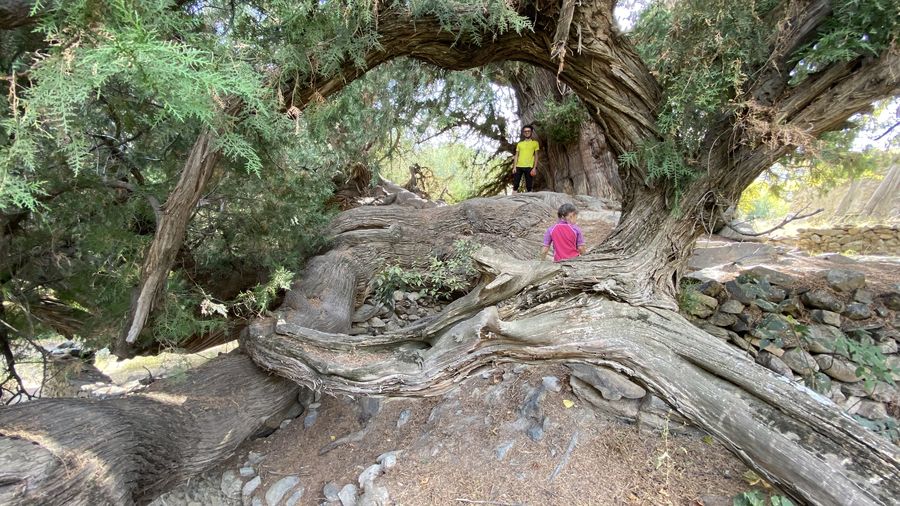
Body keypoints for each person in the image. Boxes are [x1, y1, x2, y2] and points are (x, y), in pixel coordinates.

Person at [511, 124, 539, 193]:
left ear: (531, 132)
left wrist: (534, 168)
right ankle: (513, 199)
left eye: (528, 131)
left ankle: (530, 200)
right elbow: (516, 156)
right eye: (525, 131)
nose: (527, 132)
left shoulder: (535, 143)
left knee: (529, 186)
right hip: (519, 166)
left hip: (529, 166)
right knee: (515, 185)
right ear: (523, 133)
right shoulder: (520, 144)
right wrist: (514, 167)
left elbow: (536, 156)